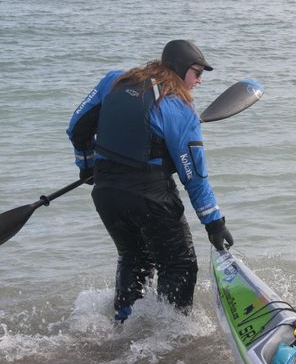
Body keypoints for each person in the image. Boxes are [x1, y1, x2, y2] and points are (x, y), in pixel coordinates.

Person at [67, 39, 234, 323]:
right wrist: (214, 223)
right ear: (181, 69)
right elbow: (192, 176)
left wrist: (87, 165)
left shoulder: (113, 81)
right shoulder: (180, 109)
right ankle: (171, 336)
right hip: (150, 197)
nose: (199, 81)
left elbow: (77, 127)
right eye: (197, 72)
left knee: (135, 258)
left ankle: (123, 324)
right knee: (179, 265)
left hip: (106, 193)